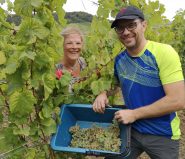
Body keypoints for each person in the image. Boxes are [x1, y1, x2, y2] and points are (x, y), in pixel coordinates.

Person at [93, 6, 185, 159]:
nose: (126, 32)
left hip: (162, 134)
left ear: (144, 25)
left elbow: (178, 100)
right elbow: (116, 83)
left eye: (131, 25)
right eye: (120, 28)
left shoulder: (164, 53)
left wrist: (134, 114)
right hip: (131, 130)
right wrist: (103, 93)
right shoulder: (120, 60)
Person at [55, 26, 86, 92]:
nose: (74, 47)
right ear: (62, 45)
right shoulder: (56, 69)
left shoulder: (82, 62)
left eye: (78, 43)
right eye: (69, 43)